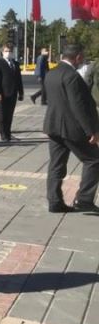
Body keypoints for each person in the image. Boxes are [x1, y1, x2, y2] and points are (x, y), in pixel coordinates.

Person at [43, 44, 99, 213]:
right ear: (77, 57)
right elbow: (78, 106)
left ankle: (54, 201)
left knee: (56, 165)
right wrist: (91, 131)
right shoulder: (71, 76)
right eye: (82, 56)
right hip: (71, 128)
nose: (83, 60)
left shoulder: (51, 73)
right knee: (94, 160)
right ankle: (84, 199)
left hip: (53, 126)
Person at [0, 44, 24, 142]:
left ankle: (8, 133)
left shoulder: (15, 63)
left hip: (13, 93)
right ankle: (3, 134)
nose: (8, 53)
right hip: (2, 94)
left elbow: (19, 79)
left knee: (10, 115)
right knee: (2, 115)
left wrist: (21, 92)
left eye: (10, 51)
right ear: (2, 52)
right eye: (6, 51)